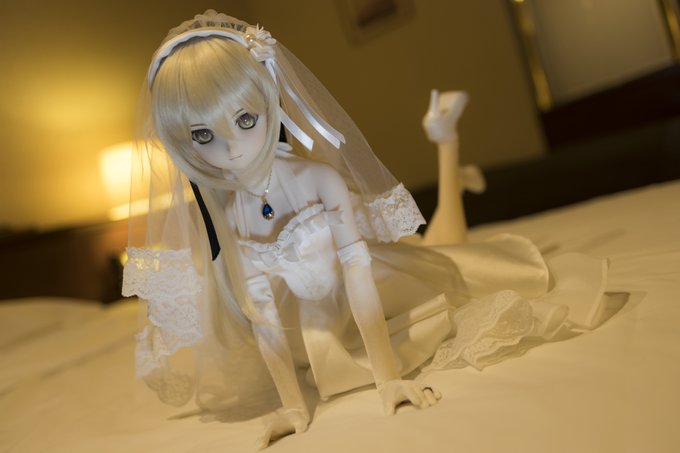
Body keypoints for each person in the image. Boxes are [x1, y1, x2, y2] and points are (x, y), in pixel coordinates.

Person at [123, 10, 609, 449]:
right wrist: (293, 407)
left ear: (269, 102)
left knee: (448, 262)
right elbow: (263, 315)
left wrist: (387, 378)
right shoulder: (231, 217)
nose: (231, 148)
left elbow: (357, 276)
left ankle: (447, 148)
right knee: (416, 271)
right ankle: (452, 172)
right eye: (203, 135)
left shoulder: (318, 180)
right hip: (313, 320)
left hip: (373, 287)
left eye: (245, 119)